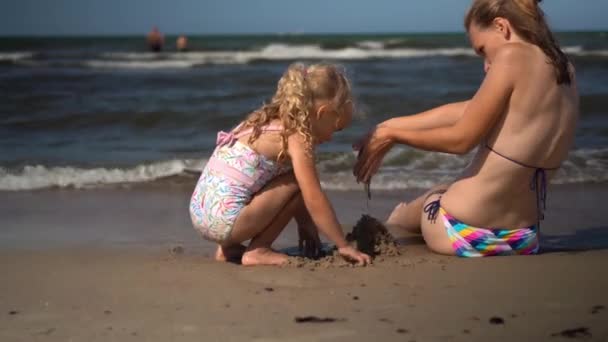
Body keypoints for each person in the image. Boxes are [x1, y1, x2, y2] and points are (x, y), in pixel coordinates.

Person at [354, 0, 579, 257]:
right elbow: (468, 109)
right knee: (448, 190)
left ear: (501, 26)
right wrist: (389, 124)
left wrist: (393, 135)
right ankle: (401, 216)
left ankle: (397, 220)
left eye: (482, 50)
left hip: (460, 233)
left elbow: (461, 141)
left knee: (435, 194)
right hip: (523, 239)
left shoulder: (512, 55)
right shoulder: (563, 67)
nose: (486, 65)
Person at [190, 62, 372, 266]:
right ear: (322, 113)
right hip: (227, 222)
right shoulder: (298, 138)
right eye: (336, 128)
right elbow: (313, 196)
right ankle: (258, 250)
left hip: (201, 215)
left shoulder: (263, 121)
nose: (330, 138)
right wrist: (343, 245)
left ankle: (228, 248)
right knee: (298, 181)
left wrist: (305, 225)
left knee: (278, 179)